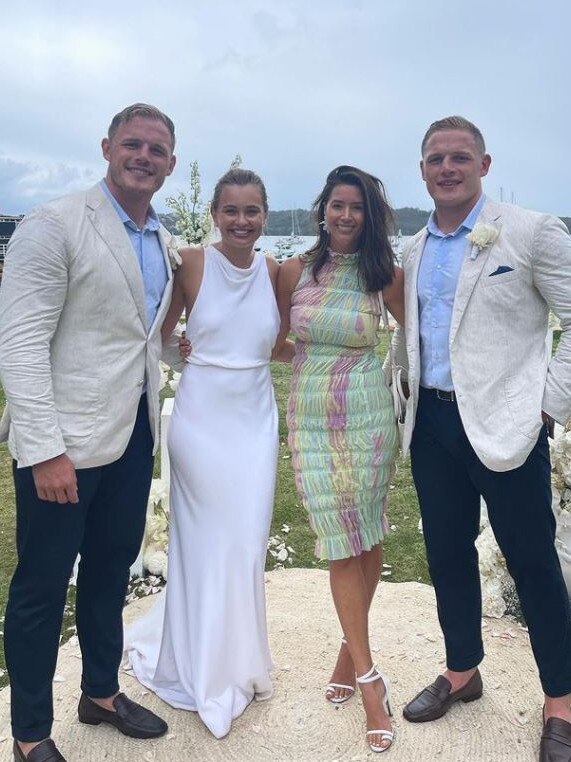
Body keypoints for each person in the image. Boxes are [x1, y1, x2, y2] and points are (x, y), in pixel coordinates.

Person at [0, 103, 180, 762]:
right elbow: (19, 344)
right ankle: (29, 734)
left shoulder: (163, 239)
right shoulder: (53, 224)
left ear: (171, 163)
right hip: (63, 447)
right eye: (132, 144)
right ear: (107, 147)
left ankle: (100, 694)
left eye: (156, 148)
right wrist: (45, 448)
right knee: (42, 589)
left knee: (108, 574)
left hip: (132, 438)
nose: (143, 156)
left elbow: (148, 338)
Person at [393, 115, 571, 762]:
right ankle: (462, 670)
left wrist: (545, 407)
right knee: (445, 554)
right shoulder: (412, 250)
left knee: (533, 565)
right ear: (421, 170)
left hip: (506, 426)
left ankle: (560, 703)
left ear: (483, 164)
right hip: (432, 428)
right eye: (435, 158)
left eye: (459, 156)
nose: (447, 167)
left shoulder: (529, 232)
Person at [124, 168, 292, 739]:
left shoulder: (273, 270)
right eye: (231, 211)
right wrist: (186, 353)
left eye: (252, 211)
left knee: (244, 545)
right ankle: (196, 668)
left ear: (265, 215)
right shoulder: (192, 263)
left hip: (255, 420)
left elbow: (281, 342)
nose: (242, 221)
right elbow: (163, 336)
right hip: (202, 420)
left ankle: (239, 663)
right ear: (215, 215)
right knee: (203, 544)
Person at [274, 165, 404, 754]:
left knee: (367, 536)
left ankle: (351, 655)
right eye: (337, 205)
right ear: (321, 208)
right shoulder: (293, 271)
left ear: (369, 216)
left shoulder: (385, 276)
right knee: (338, 541)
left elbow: (422, 335)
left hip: (368, 417)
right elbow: (273, 340)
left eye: (357, 207)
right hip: (311, 416)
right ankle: (370, 676)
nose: (346, 215)